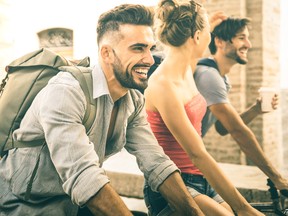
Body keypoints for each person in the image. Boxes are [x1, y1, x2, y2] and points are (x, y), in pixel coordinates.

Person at [0, 4, 205, 216]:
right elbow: (84, 176)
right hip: (24, 207)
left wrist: (194, 213)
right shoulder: (66, 92)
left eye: (150, 48)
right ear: (106, 53)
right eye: (138, 48)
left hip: (72, 204)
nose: (150, 59)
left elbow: (156, 162)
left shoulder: (132, 100)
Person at [144, 0, 263, 215]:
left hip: (201, 178)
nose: (210, 37)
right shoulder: (163, 85)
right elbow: (197, 153)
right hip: (173, 184)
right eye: (208, 31)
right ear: (197, 36)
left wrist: (206, 19)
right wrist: (244, 207)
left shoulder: (187, 69)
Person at [194, 17, 288, 195]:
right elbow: (237, 131)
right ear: (220, 42)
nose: (249, 44)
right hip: (177, 164)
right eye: (241, 38)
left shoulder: (221, 78)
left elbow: (222, 128)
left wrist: (256, 109)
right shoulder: (209, 76)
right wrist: (278, 178)